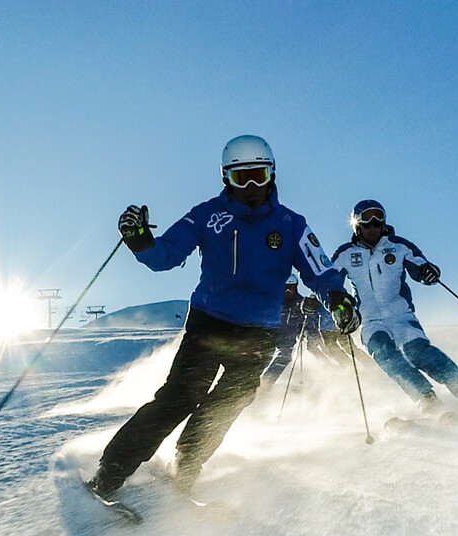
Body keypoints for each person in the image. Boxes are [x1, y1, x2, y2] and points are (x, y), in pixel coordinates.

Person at [87, 135, 360, 499]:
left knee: (232, 398)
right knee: (181, 396)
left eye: (258, 176)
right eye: (240, 177)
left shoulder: (291, 224)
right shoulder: (206, 215)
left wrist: (339, 298)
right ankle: (110, 474)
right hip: (209, 322)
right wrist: (139, 240)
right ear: (226, 178)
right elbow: (165, 254)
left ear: (272, 175)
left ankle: (186, 466)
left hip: (258, 331)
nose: (250, 187)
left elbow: (319, 271)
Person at [330, 199, 458, 414]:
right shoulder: (345, 253)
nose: (373, 226)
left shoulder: (397, 246)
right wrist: (327, 301)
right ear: (357, 224)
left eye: (378, 221)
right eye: (367, 221)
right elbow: (329, 281)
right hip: (370, 321)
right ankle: (426, 399)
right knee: (384, 352)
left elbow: (419, 264)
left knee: (419, 352)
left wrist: (428, 271)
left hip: (401, 315)